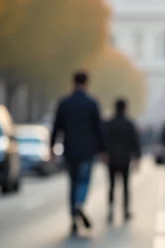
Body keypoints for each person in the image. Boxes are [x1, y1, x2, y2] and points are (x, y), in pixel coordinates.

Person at [50, 71, 107, 235]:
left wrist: (52, 148)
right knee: (83, 181)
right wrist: (103, 150)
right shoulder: (92, 103)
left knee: (73, 183)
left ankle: (73, 218)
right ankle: (79, 205)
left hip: (69, 150)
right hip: (87, 151)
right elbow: (99, 128)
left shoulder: (64, 103)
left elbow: (56, 127)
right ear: (86, 83)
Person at [104, 98, 141, 222]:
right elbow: (135, 142)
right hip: (125, 159)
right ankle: (125, 210)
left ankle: (110, 209)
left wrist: (103, 153)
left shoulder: (109, 123)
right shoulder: (129, 124)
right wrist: (137, 158)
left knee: (112, 185)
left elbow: (103, 140)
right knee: (125, 185)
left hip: (111, 159)